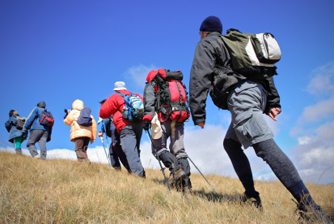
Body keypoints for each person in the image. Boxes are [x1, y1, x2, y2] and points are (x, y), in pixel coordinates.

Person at [189, 16, 332, 223]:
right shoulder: (237, 43)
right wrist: (273, 101)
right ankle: (252, 198)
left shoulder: (207, 43)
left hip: (241, 96)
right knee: (230, 143)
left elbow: (199, 76)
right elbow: (265, 72)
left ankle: (311, 209)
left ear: (203, 32)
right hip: (258, 94)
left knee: (264, 145)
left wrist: (198, 112)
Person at [143, 69, 192, 194]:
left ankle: (175, 170)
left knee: (158, 149)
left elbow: (149, 102)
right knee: (180, 151)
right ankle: (186, 185)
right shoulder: (173, 82)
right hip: (179, 118)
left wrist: (147, 119)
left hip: (163, 119)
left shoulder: (153, 84)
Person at [99, 81, 145, 177]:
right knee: (135, 149)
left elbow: (103, 113)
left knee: (129, 150)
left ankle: (138, 176)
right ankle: (140, 173)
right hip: (139, 124)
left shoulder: (115, 97)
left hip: (125, 125)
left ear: (115, 89)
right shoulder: (136, 95)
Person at [98, 100, 131, 172]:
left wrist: (102, 131)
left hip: (115, 131)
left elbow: (105, 121)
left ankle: (127, 169)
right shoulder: (116, 109)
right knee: (113, 149)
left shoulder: (108, 111)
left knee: (117, 149)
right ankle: (122, 169)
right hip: (121, 130)